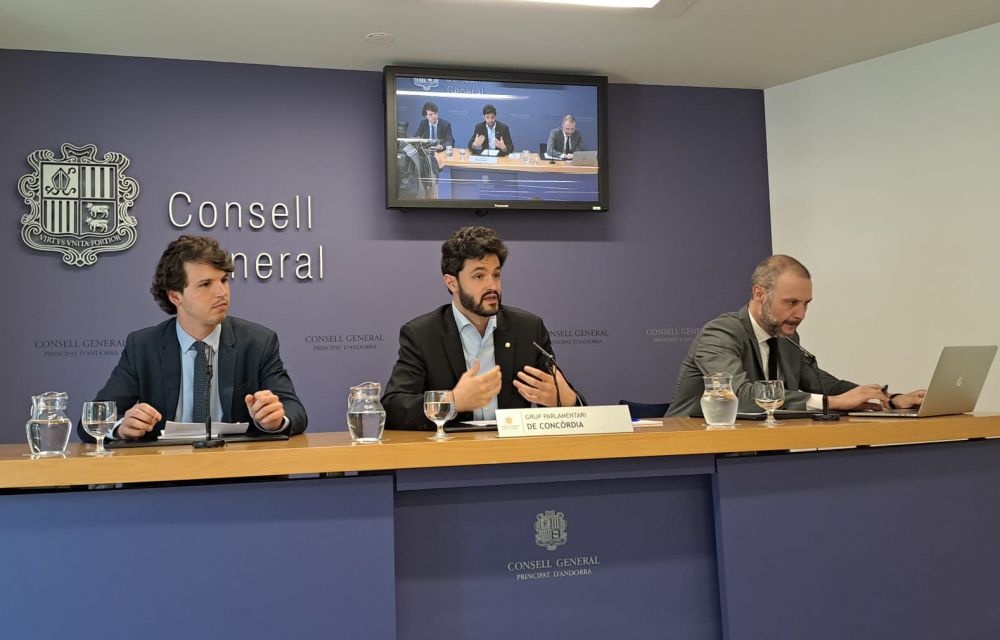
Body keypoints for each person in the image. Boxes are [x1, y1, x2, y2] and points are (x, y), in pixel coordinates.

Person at [80, 234, 307, 442]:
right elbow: (91, 422)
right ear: (175, 296)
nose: (222, 293)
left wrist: (276, 419)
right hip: (166, 468)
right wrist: (121, 427)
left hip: (237, 467)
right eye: (206, 284)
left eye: (224, 280)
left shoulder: (257, 342)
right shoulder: (143, 347)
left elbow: (295, 411)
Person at [666, 255, 925, 417]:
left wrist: (890, 400)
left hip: (759, 450)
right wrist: (832, 402)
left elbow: (825, 386)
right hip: (693, 454)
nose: (800, 314)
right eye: (791, 302)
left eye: (806, 304)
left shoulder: (787, 337)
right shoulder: (720, 333)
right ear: (759, 294)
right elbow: (739, 397)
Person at [382, 226, 584, 429]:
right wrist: (452, 401)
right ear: (452, 283)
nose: (492, 286)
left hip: (512, 446)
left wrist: (566, 400)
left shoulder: (529, 330)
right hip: (454, 447)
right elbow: (393, 408)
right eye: (479, 276)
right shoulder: (423, 335)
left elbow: (573, 407)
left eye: (496, 275)